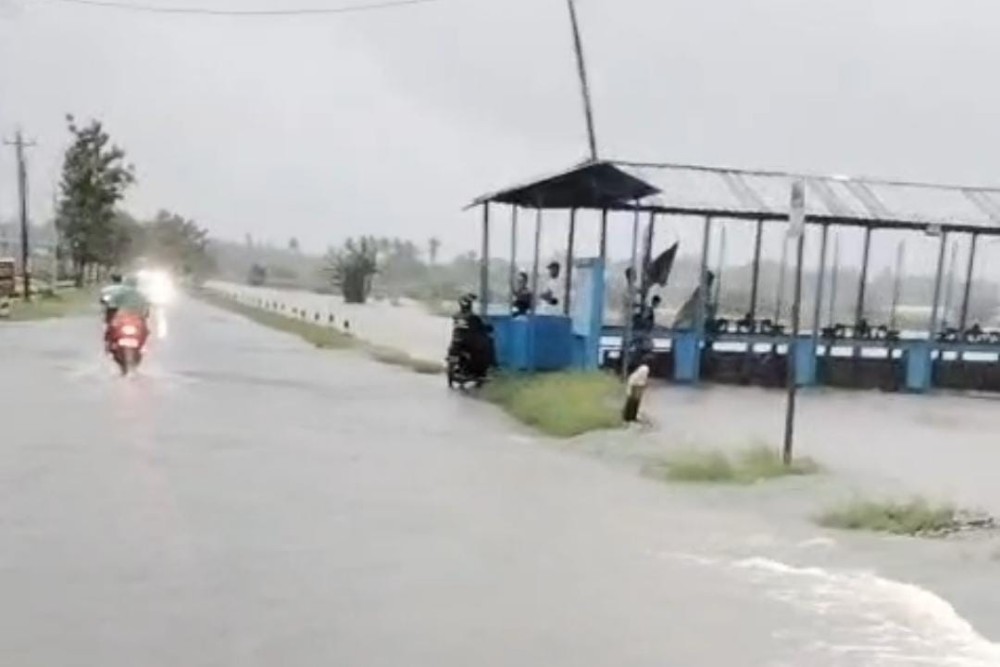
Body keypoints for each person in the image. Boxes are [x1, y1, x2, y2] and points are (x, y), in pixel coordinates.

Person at [104, 275, 151, 352]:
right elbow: (146, 309)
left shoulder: (120, 294)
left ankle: (110, 344)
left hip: (124, 318)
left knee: (111, 328)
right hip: (132, 319)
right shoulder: (141, 294)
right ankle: (143, 346)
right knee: (145, 330)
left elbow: (112, 304)